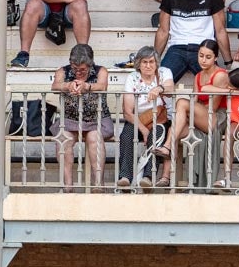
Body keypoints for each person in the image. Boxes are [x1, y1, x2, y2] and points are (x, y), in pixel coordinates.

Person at [154, 0, 232, 83]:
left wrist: (229, 62)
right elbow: (163, 31)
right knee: (159, 83)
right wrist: (155, 59)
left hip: (203, 49)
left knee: (214, 85)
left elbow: (220, 31)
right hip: (177, 49)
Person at [53, 43, 112, 191]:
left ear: (90, 64)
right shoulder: (63, 71)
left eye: (82, 70)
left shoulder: (100, 71)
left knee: (94, 138)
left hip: (96, 120)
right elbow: (55, 86)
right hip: (70, 120)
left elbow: (102, 86)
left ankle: (98, 183)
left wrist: (87, 87)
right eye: (74, 68)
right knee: (63, 139)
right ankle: (68, 185)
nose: (78, 72)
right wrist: (68, 86)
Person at [165, 38, 228, 168]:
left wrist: (190, 114)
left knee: (182, 102)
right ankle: (168, 178)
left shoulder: (220, 75)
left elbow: (213, 107)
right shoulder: (198, 75)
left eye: (208, 57)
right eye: (201, 56)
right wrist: (187, 116)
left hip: (217, 118)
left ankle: (166, 146)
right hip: (201, 116)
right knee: (174, 129)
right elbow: (195, 101)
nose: (203, 60)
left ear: (215, 58)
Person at [117, 46, 174, 189]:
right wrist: (143, 130)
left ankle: (148, 177)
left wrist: (159, 88)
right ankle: (125, 176)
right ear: (138, 64)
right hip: (138, 119)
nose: (148, 66)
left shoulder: (164, 72)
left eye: (151, 62)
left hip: (158, 118)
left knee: (158, 135)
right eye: (144, 62)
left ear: (157, 63)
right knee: (126, 135)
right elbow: (128, 112)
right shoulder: (132, 77)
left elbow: (170, 88)